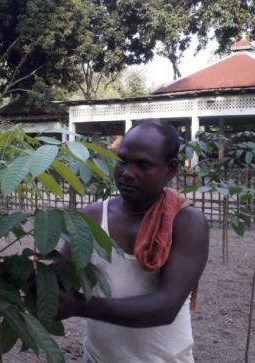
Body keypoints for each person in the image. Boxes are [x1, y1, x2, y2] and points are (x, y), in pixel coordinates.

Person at [58, 120, 209, 363]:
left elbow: (165, 307)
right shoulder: (94, 216)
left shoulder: (187, 223)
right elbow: (59, 276)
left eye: (143, 165)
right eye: (122, 161)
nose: (127, 173)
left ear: (170, 170)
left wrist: (80, 306)